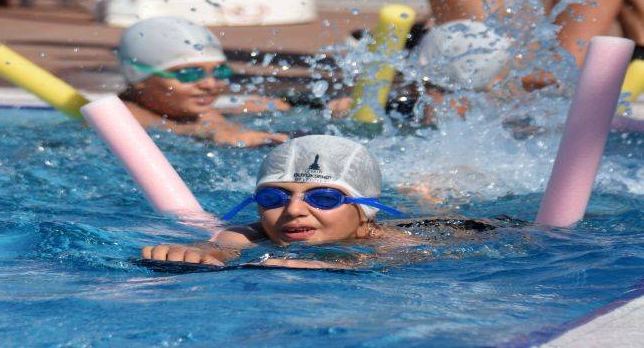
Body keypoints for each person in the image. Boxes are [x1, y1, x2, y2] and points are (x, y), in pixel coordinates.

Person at [141, 135, 512, 269]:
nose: (294, 210)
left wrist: (351, 263)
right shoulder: (252, 235)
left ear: (365, 213)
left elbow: (408, 260)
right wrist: (196, 253)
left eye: (324, 197)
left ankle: (431, 191)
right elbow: (220, 246)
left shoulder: (396, 241)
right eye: (273, 197)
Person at [117, 17, 290, 147]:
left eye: (219, 71)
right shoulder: (116, 114)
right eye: (189, 74)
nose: (210, 84)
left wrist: (238, 109)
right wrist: (202, 131)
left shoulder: (187, 108)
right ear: (137, 76)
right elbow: (149, 125)